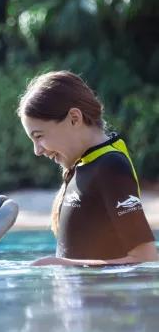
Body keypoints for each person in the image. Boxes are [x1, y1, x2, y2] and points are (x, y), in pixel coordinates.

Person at [17, 70, 157, 266]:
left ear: (74, 118)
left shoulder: (110, 166)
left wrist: (61, 264)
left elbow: (147, 259)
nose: (37, 151)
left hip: (103, 296)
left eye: (39, 136)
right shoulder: (82, 166)